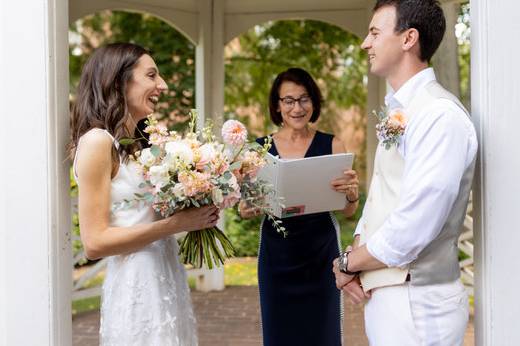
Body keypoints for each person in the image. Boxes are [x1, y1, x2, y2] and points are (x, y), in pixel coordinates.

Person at [332, 1, 478, 345]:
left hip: (420, 302)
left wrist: (348, 261)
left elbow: (415, 224)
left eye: (374, 32)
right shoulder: (403, 110)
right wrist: (355, 259)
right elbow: (383, 192)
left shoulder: (439, 116)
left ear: (408, 38)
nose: (365, 43)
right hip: (391, 297)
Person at [70, 43, 220, 345]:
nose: (161, 85)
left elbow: (147, 211)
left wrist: (196, 191)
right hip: (136, 282)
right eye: (151, 76)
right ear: (119, 81)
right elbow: (94, 242)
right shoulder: (98, 142)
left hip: (165, 272)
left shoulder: (139, 143)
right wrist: (176, 225)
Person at [240, 67, 360, 346]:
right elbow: (244, 208)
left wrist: (352, 195)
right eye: (289, 100)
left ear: (314, 102)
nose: (297, 107)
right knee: (279, 333)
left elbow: (348, 211)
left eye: (304, 99)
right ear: (277, 106)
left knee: (323, 332)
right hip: (276, 256)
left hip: (321, 255)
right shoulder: (257, 150)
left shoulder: (333, 144)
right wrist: (246, 208)